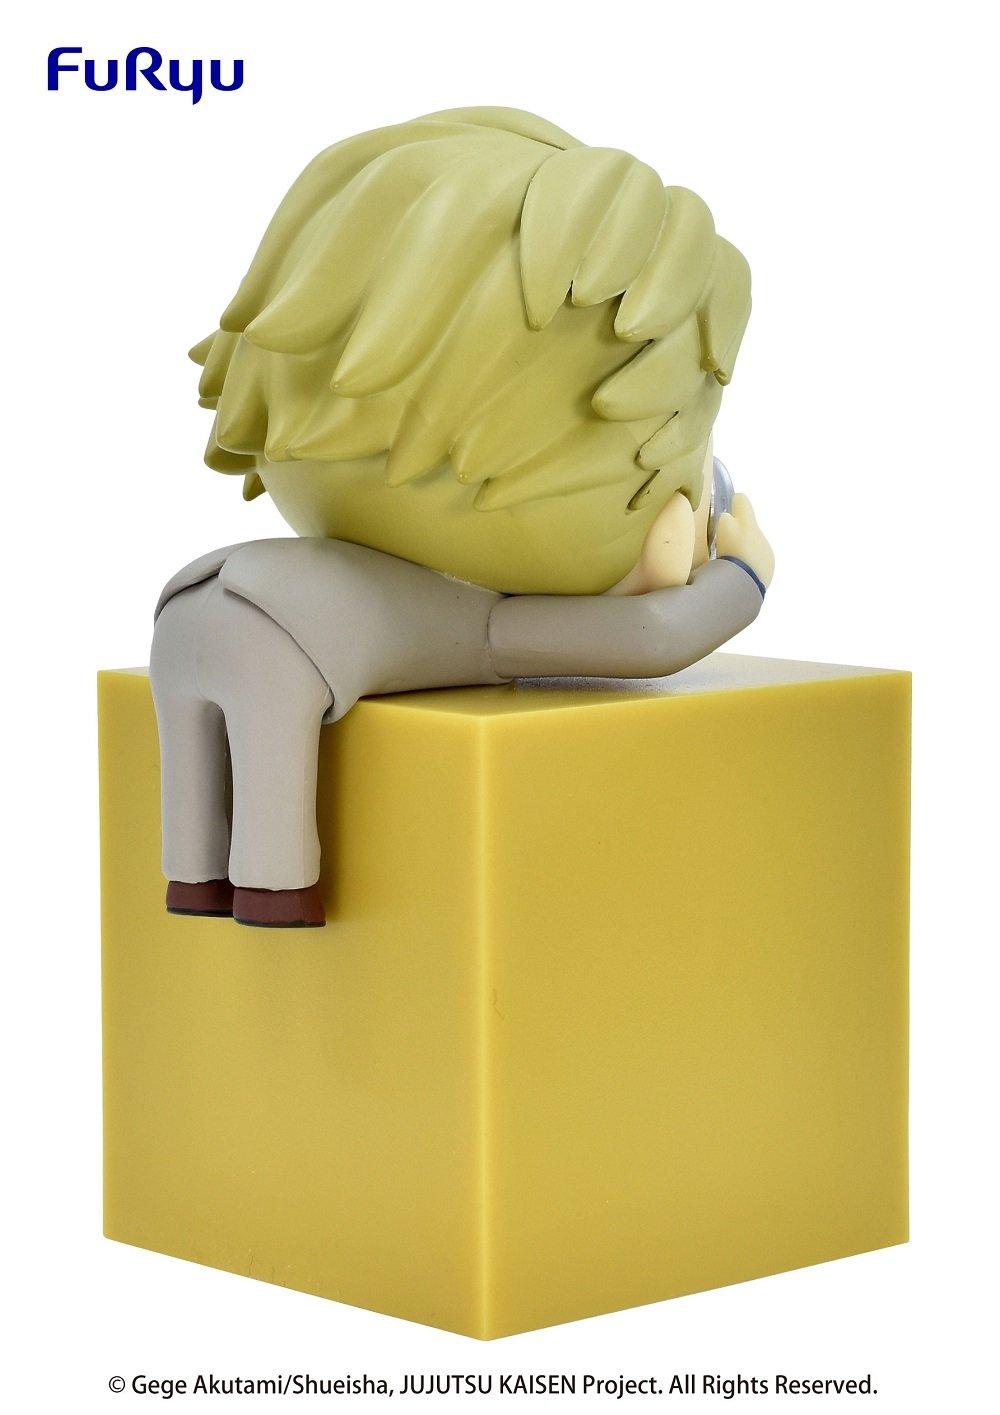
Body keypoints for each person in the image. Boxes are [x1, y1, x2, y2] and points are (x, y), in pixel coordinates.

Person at [150, 107, 774, 928]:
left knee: (198, 801)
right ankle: (274, 887)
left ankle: (194, 876)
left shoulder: (372, 573)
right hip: (285, 642)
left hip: (191, 606)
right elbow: (654, 640)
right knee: (274, 827)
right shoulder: (476, 623)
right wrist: (744, 574)